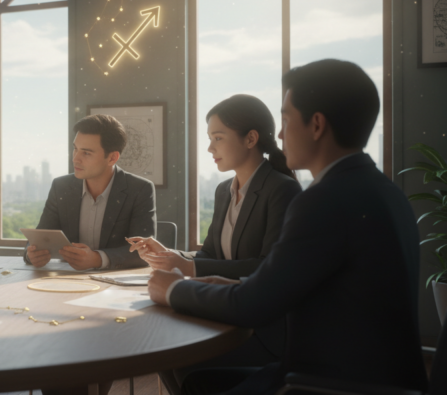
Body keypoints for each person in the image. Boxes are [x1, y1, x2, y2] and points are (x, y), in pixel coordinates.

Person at [148, 59, 427, 394]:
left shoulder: (324, 200)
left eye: (285, 119)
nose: (279, 135)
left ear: (317, 125)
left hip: (327, 384)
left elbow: (254, 304)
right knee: (196, 380)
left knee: (188, 369)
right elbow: (293, 281)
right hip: (378, 378)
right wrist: (222, 281)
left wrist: (174, 289)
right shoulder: (383, 190)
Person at [127, 94, 301, 391]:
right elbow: (209, 254)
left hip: (262, 330)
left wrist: (188, 266)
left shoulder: (281, 190)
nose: (210, 148)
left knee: (176, 357)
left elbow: (266, 268)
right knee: (162, 352)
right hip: (223, 316)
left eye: (218, 138)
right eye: (209, 138)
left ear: (250, 139)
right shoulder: (224, 191)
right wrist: (171, 254)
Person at [26, 114, 156, 271]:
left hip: (115, 284)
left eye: (86, 153)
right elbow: (39, 237)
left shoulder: (139, 189)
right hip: (67, 281)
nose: (75, 159)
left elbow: (143, 251)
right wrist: (32, 254)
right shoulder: (61, 187)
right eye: (75, 149)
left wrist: (97, 259)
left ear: (112, 158)